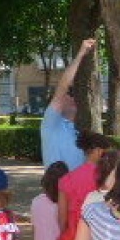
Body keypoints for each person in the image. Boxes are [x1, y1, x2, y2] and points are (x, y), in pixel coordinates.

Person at [41, 37, 97, 171]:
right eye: (68, 96)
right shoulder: (51, 124)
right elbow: (63, 86)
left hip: (78, 190)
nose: (72, 98)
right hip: (59, 191)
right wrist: (81, 54)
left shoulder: (75, 131)